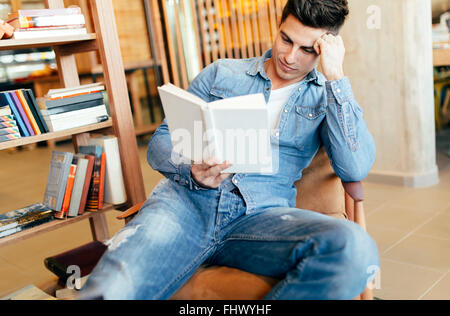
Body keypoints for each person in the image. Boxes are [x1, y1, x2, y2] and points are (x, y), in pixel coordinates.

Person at [80, 0, 379, 300]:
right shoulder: (222, 74)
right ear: (279, 24)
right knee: (113, 286)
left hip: (262, 219)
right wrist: (191, 171)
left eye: (307, 50)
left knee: (356, 248)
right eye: (286, 39)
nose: (289, 56)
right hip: (187, 205)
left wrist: (336, 77)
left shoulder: (325, 97)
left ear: (327, 48)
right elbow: (160, 142)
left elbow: (354, 167)